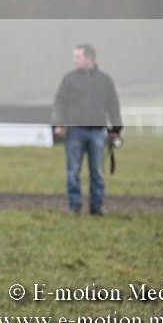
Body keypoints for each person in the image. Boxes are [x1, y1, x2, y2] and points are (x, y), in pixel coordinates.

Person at [52, 43, 122, 215]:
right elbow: (60, 103)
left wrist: (116, 129)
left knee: (97, 172)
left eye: (78, 57)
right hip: (74, 131)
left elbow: (113, 105)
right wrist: (58, 123)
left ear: (89, 58)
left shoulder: (105, 80)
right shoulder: (69, 79)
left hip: (97, 132)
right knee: (73, 171)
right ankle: (74, 206)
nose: (74, 60)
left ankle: (97, 207)